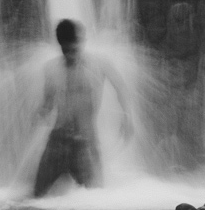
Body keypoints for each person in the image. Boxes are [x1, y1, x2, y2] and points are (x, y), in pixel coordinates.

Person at [32, 18, 131, 197]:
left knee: (95, 202)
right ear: (60, 46)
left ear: (81, 42)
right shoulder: (51, 69)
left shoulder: (100, 64)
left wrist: (127, 116)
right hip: (57, 142)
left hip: (86, 142)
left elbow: (120, 87)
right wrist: (38, 115)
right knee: (35, 200)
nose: (70, 55)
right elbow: (47, 104)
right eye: (65, 50)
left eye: (73, 49)